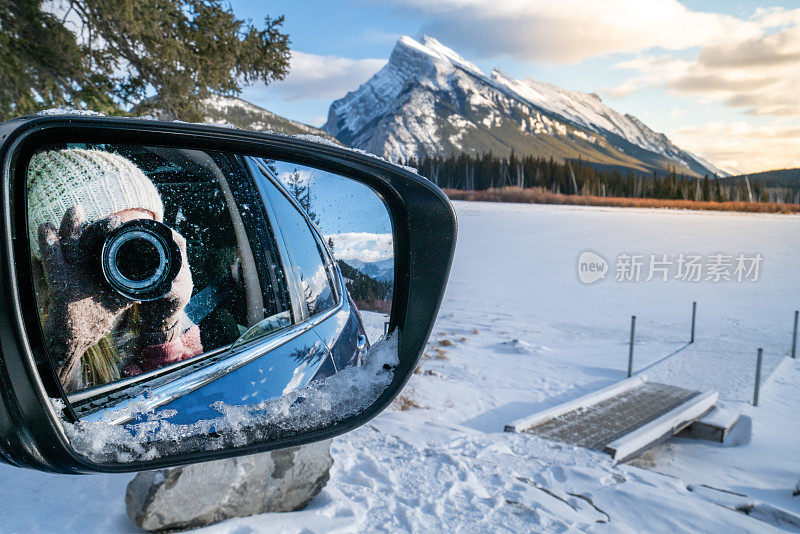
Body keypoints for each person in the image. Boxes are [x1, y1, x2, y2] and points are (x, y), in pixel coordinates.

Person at [27, 148, 203, 393]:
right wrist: (63, 349)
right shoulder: (21, 326)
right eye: (106, 240)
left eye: (142, 238)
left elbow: (184, 396)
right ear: (52, 259)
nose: (132, 257)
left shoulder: (152, 305)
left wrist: (164, 326)